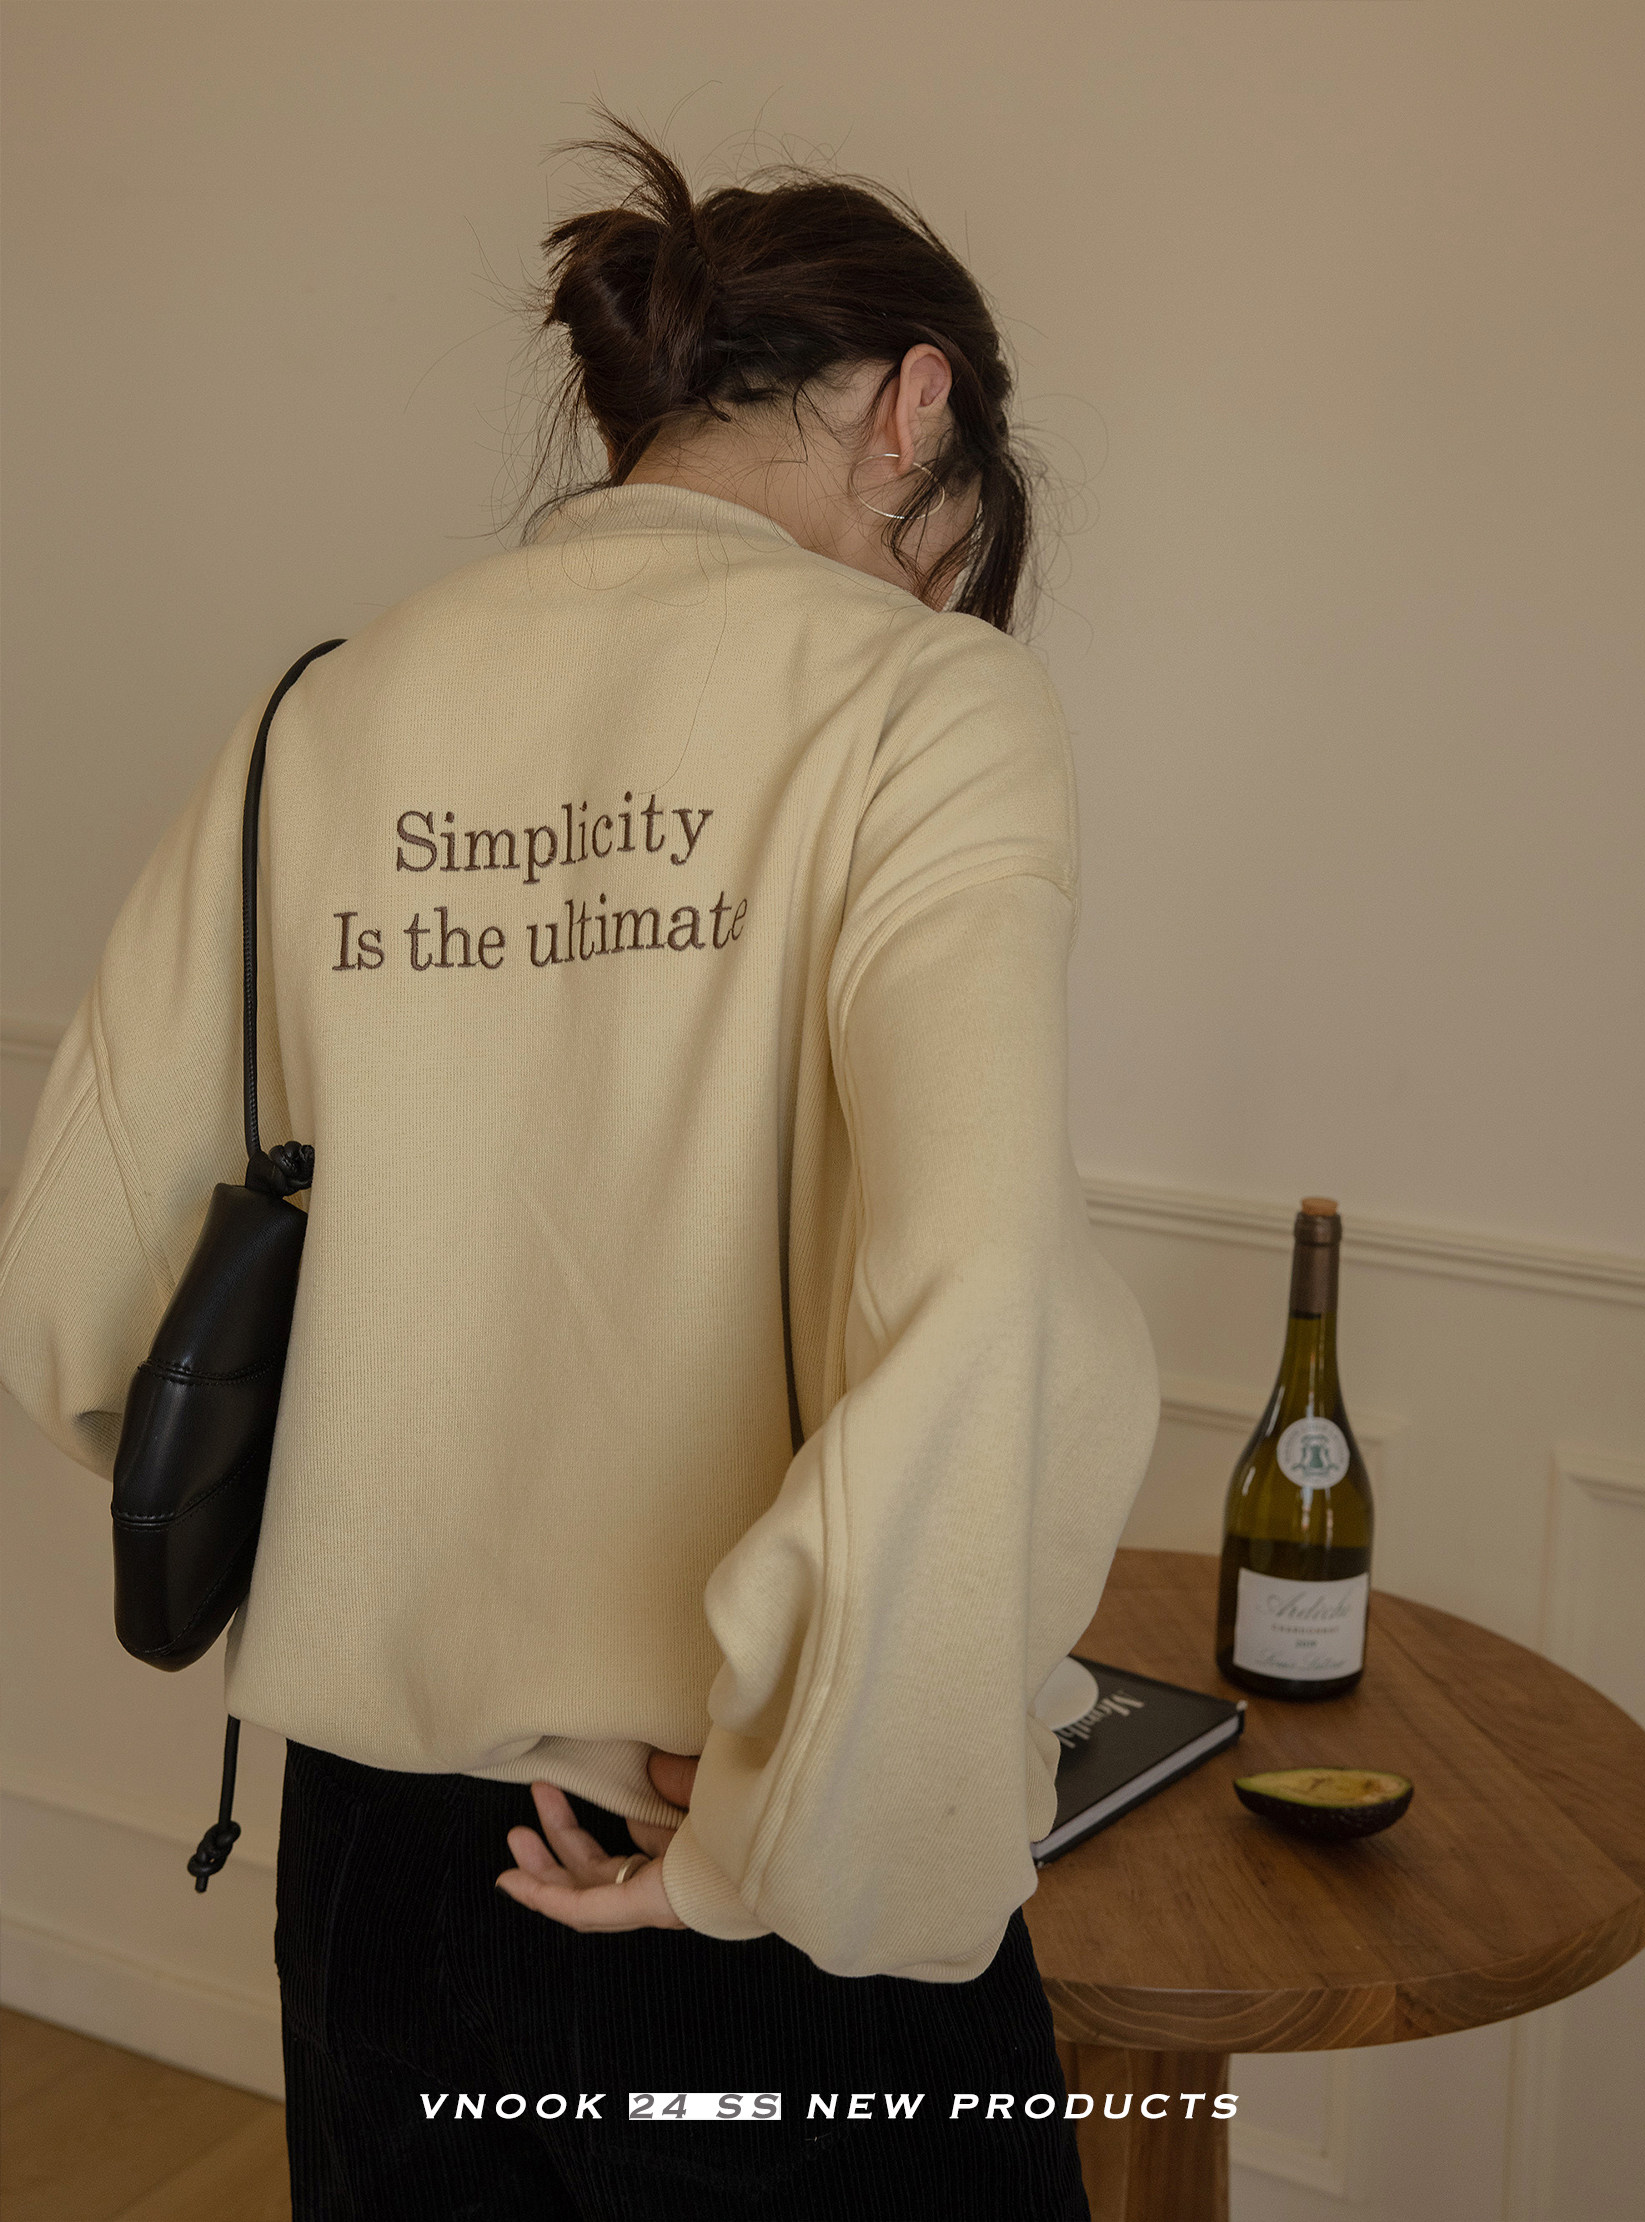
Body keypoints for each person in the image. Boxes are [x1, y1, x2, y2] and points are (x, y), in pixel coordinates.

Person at [0, 117, 1159, 2221]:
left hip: (385, 1876)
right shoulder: (930, 702)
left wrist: (404, 1560)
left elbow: (78, 1304)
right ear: (916, 408)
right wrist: (785, 1819)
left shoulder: (321, 717)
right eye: (950, 540)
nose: (931, 587)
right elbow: (984, 1301)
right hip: (740, 1854)